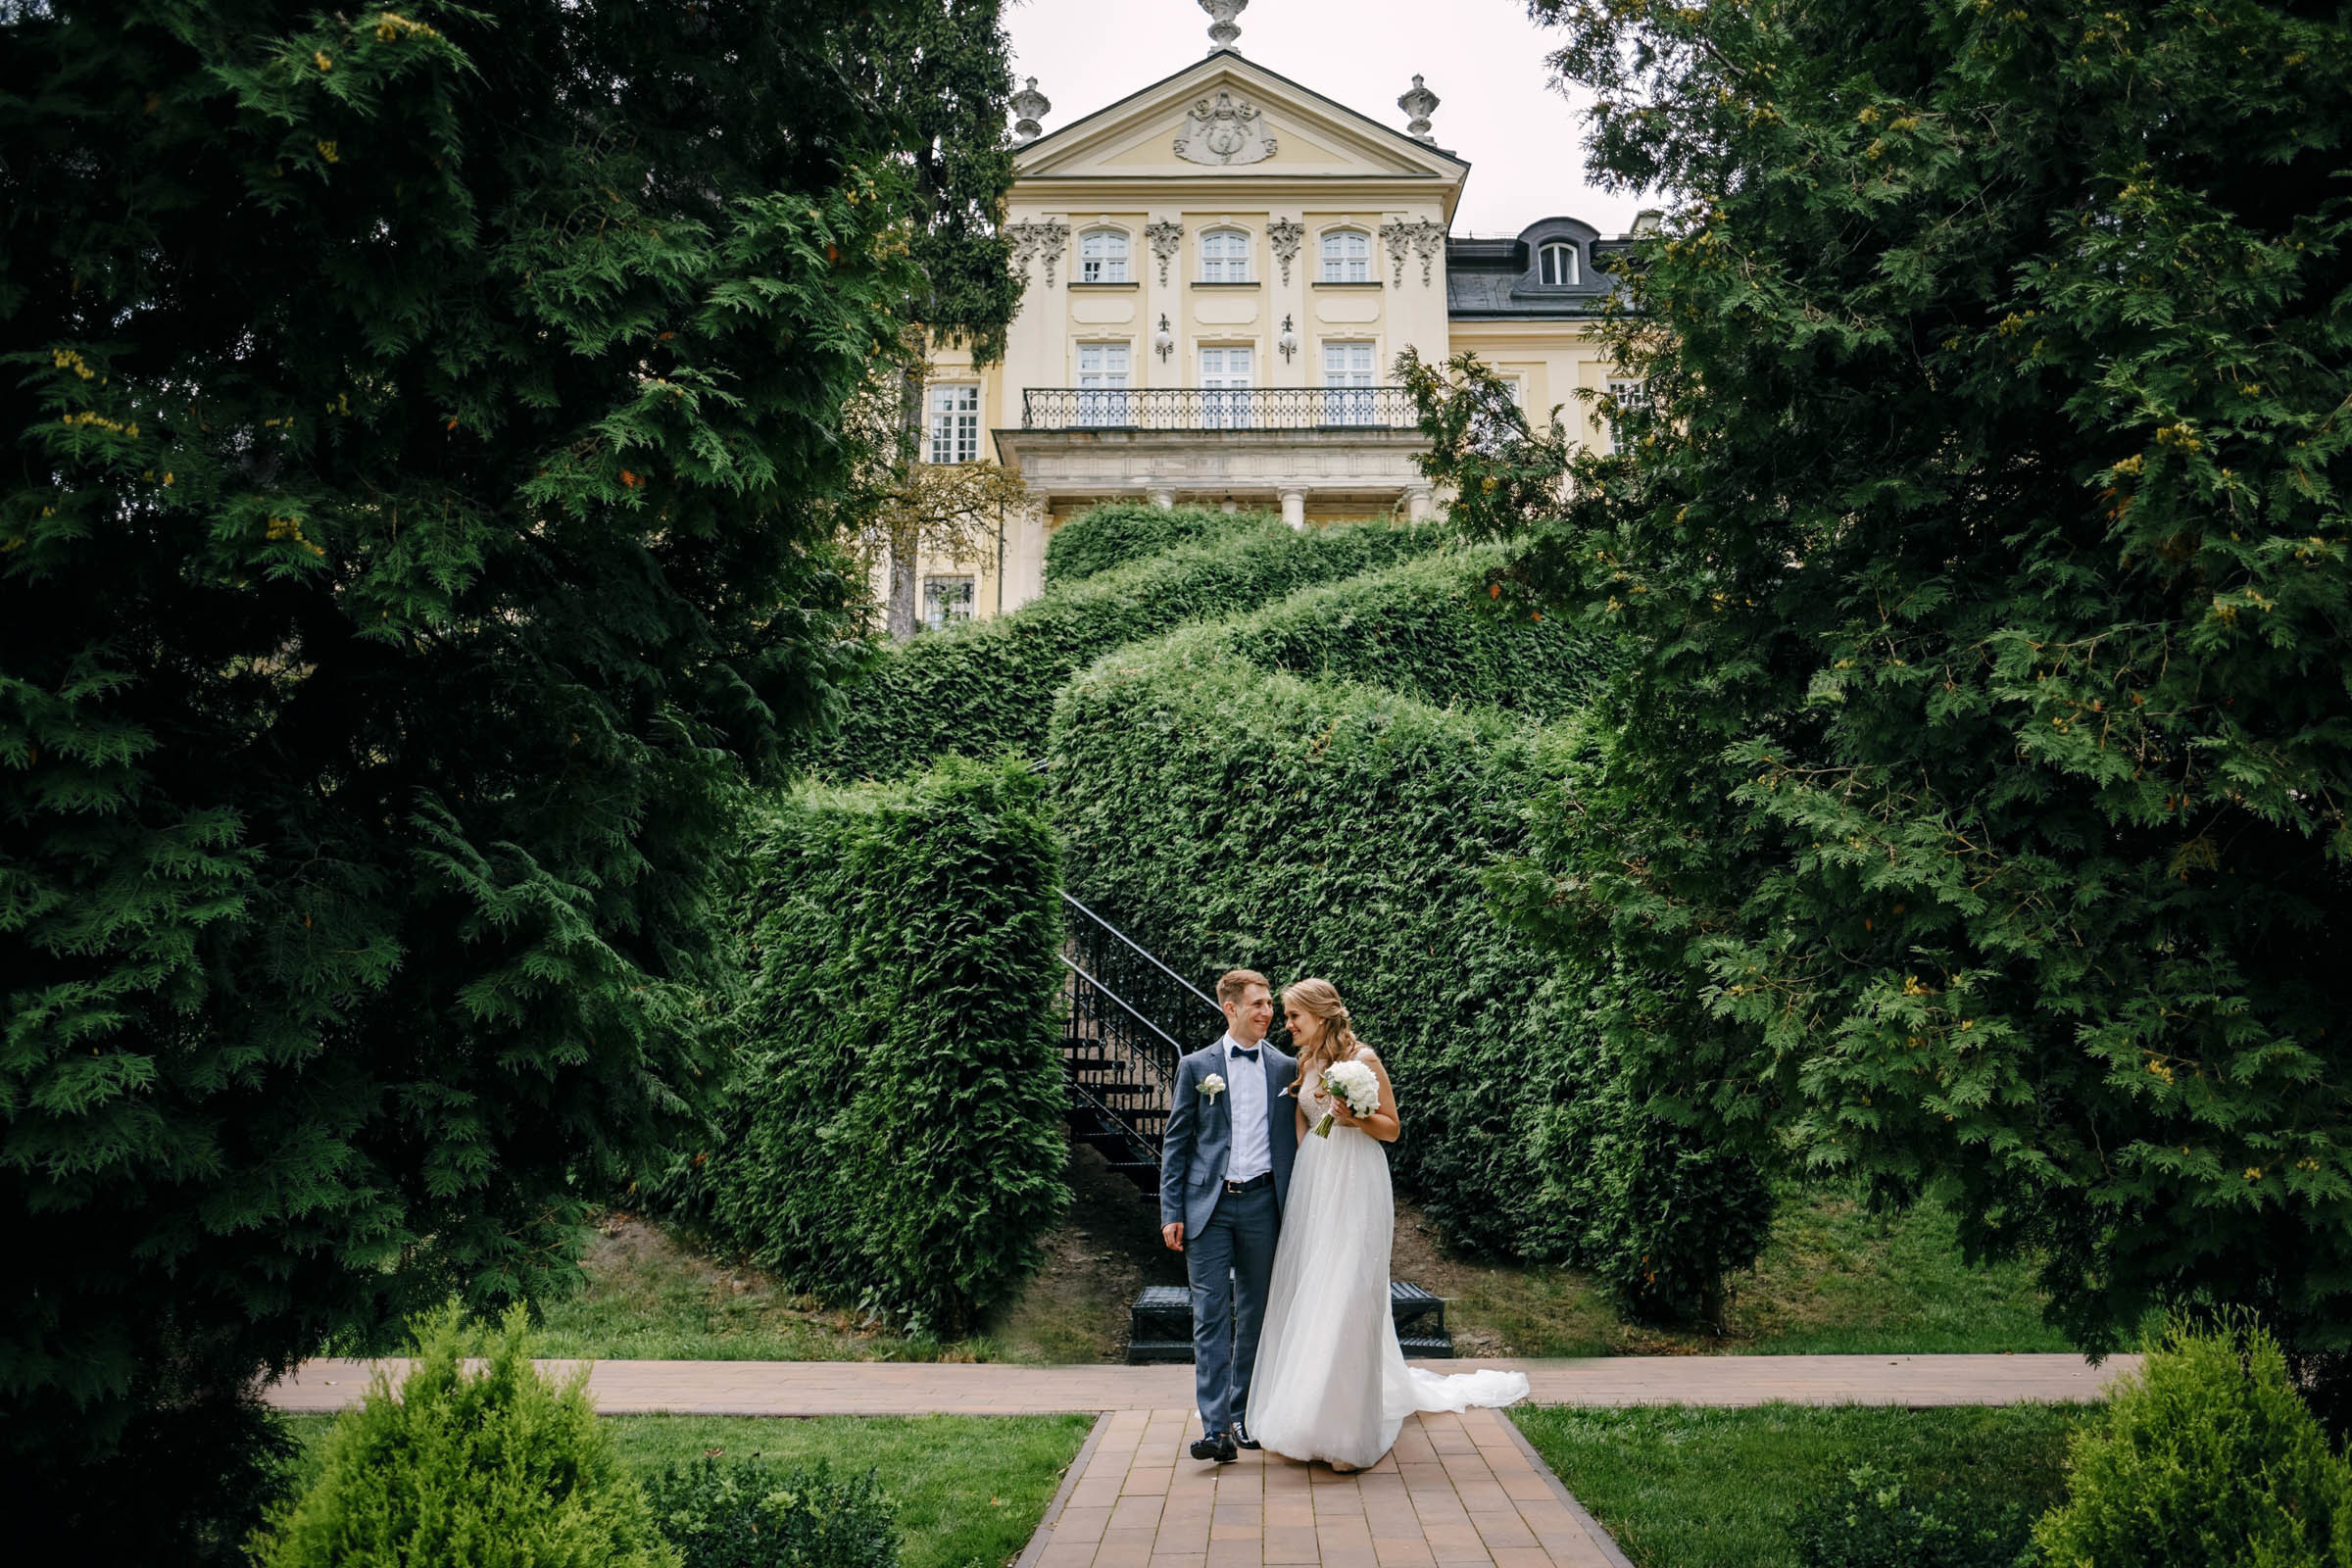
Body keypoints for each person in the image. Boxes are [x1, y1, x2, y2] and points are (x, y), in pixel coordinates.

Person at [1245, 977, 1530, 1471]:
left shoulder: (1365, 1060)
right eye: (1286, 1016)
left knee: (1349, 1293)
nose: (1286, 1024)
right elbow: (1303, 1132)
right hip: (1316, 1185)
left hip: (1356, 1182)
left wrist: (1356, 1117)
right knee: (1314, 1293)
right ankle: (1306, 1416)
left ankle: (1348, 1436)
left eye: (1294, 1016)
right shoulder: (1305, 1064)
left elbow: (1392, 1129)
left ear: (1322, 1014)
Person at [1158, 968, 1298, 1463]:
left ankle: (1244, 1416)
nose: (1268, 1012)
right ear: (1231, 1008)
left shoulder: (1286, 1068)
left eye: (1269, 1004)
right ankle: (1215, 1428)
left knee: (1256, 1312)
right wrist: (1171, 1208)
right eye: (1258, 1004)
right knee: (1210, 1315)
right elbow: (1177, 1143)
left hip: (1264, 1204)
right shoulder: (1197, 1066)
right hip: (1208, 1208)